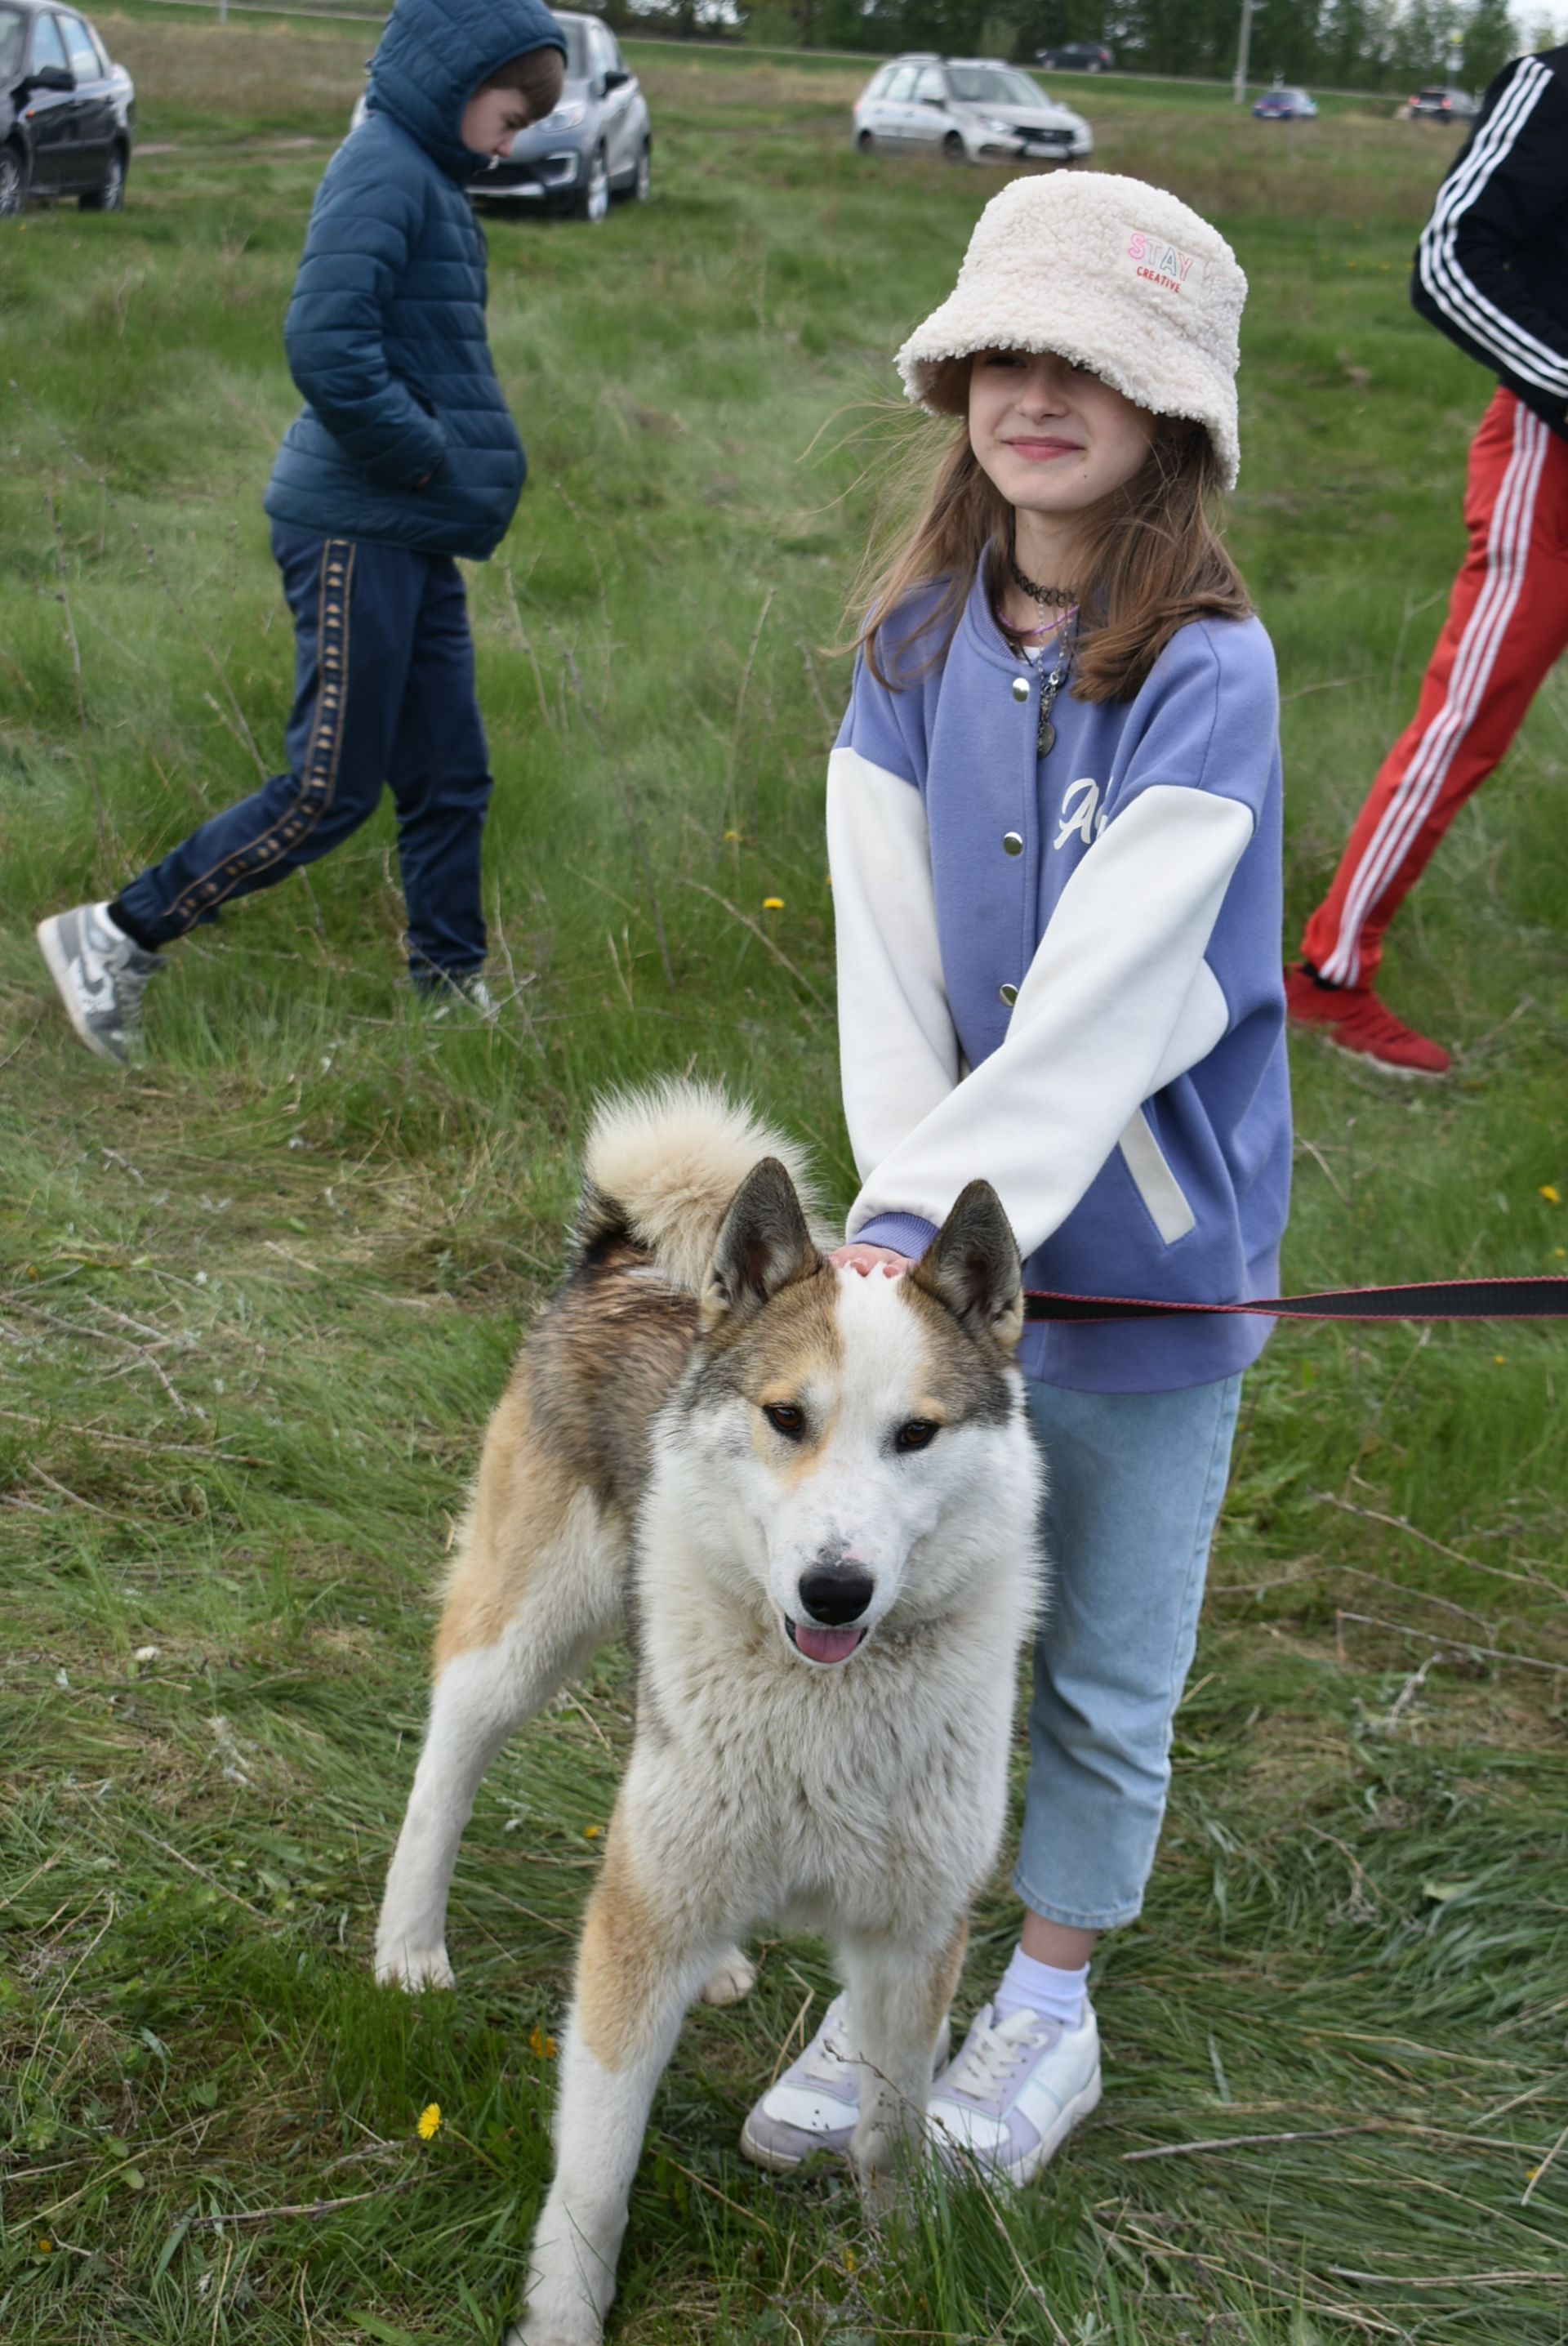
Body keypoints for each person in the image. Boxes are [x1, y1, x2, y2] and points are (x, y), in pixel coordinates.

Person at [739, 173, 1291, 2186]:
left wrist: (919, 1222)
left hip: (1147, 1270)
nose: (1038, 391)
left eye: (1095, 362)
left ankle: (1045, 1995)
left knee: (1105, 1644)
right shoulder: (904, 649)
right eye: (1007, 352)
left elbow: (1106, 1012)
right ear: (955, 375)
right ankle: (892, 1970)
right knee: (913, 1628)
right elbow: (888, 969)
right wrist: (906, 1224)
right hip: (932, 1294)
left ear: (1173, 417)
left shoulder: (1211, 674)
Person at [35, 0, 566, 1064]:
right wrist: (418, 454)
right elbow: (326, 341)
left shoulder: (429, 182)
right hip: (356, 524)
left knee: (452, 778)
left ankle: (447, 993)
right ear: (451, 85)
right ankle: (115, 934)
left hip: (408, 530)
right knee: (328, 789)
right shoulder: (383, 167)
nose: (514, 142)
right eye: (509, 116)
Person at [1288, 43, 1568, 1077]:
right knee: (1468, 722)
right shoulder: (1556, 83)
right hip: (1554, 460)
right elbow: (1451, 261)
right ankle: (1329, 980)